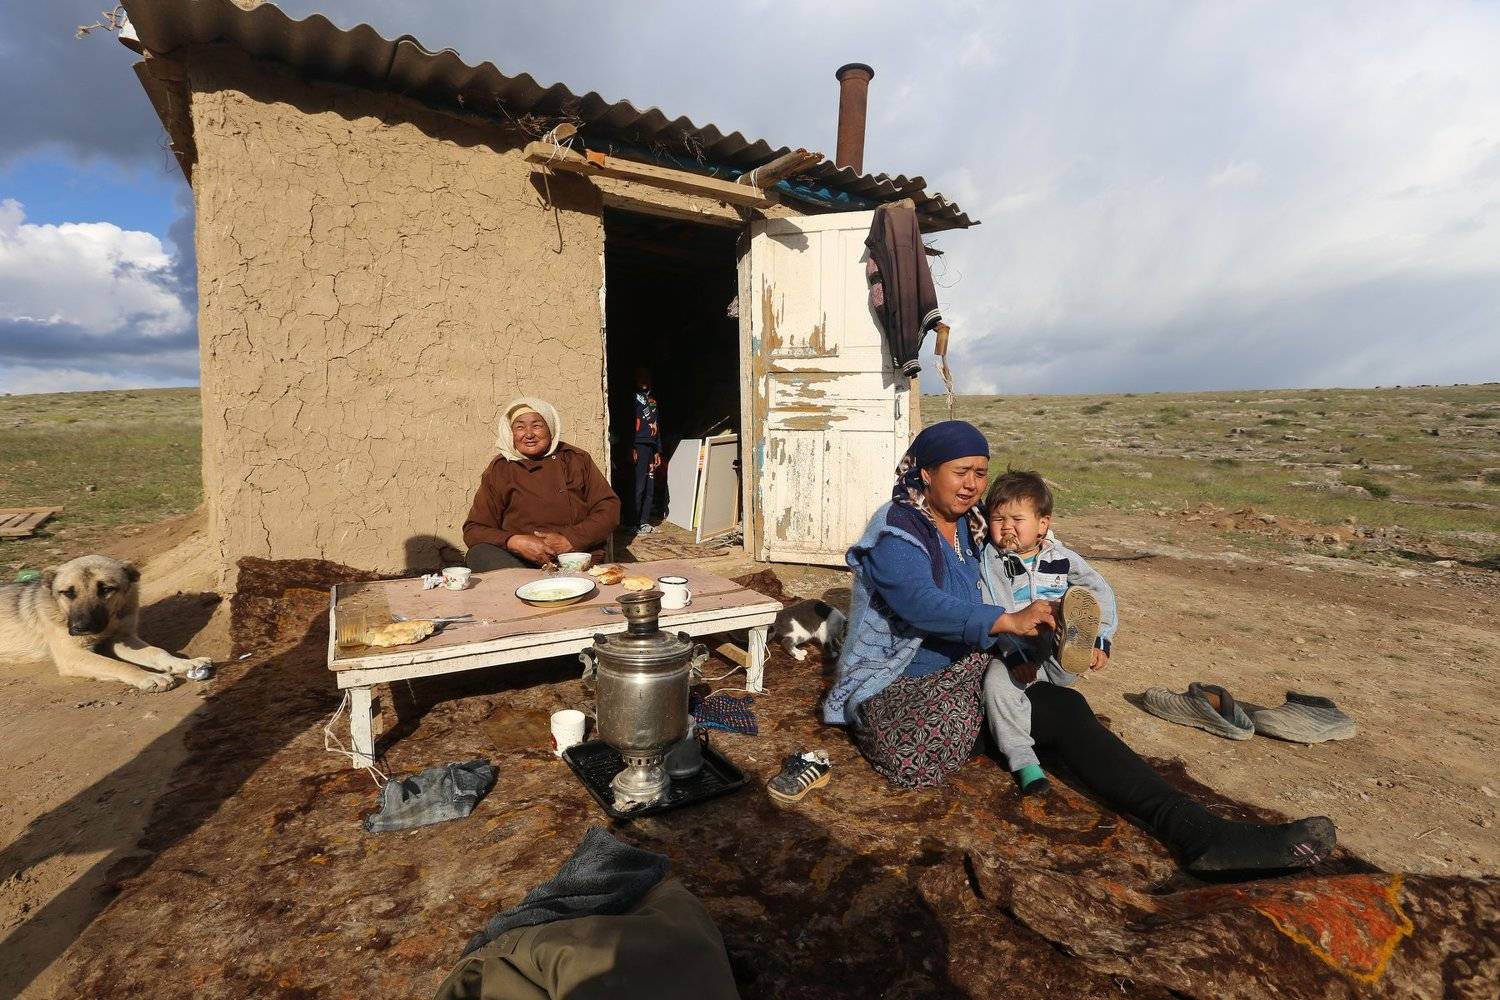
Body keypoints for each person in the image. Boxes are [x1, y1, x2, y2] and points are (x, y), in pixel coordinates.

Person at [824, 420, 1337, 879]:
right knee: (1062, 710)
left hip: (967, 668)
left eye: (981, 473)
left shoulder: (972, 524)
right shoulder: (896, 533)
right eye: (961, 472)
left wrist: (1048, 583)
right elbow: (920, 603)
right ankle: (1202, 835)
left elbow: (1025, 536)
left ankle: (1197, 830)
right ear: (926, 472)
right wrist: (1006, 619)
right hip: (905, 695)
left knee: (1052, 693)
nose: (973, 484)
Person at [984, 469, 1117, 795]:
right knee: (995, 685)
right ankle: (1024, 761)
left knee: (1066, 614)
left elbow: (1100, 591)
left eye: (1017, 519)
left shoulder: (1062, 558)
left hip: (1055, 648)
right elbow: (993, 608)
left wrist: (1102, 638)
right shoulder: (993, 562)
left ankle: (1078, 643)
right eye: (998, 519)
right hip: (1015, 646)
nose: (1006, 527)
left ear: (1042, 524)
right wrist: (1013, 655)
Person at [462, 398, 621, 570]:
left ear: (550, 429)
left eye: (537, 426)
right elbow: (474, 529)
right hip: (520, 563)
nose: (529, 434)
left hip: (574, 556)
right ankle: (526, 584)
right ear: (511, 433)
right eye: (520, 427)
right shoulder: (500, 469)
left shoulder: (575, 459)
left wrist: (570, 539)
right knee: (479, 554)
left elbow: (609, 508)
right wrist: (515, 542)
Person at [630, 367, 662, 534]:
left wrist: (657, 450)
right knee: (638, 486)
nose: (644, 380)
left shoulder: (653, 400)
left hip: (651, 446)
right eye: (640, 376)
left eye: (647, 377)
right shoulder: (632, 397)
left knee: (649, 486)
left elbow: (657, 425)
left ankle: (644, 521)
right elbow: (626, 423)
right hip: (639, 445)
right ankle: (632, 523)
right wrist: (631, 446)